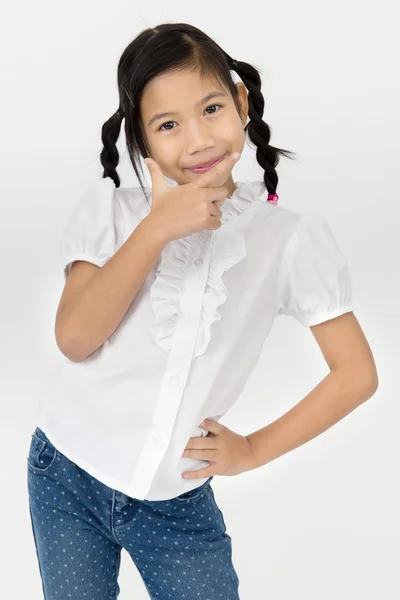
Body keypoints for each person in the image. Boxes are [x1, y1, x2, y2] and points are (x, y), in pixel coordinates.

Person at [27, 22, 378, 600]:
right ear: (142, 143)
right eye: (167, 125)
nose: (197, 140)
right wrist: (157, 228)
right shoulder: (112, 214)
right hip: (67, 473)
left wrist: (254, 450)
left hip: (176, 500)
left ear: (240, 102)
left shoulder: (288, 239)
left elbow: (356, 374)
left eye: (211, 108)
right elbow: (74, 338)